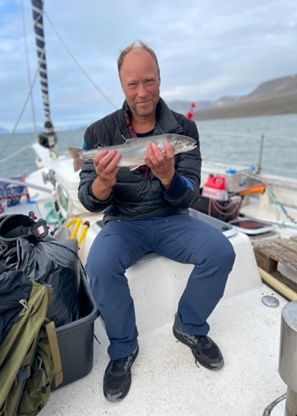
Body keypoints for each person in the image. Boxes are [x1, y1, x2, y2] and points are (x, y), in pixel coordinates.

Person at [78, 40, 236, 402]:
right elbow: (88, 199)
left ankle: (190, 326)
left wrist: (168, 177)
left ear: (160, 80)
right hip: (124, 222)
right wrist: (103, 182)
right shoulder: (99, 133)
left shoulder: (183, 130)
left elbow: (188, 195)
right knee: (99, 265)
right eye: (133, 84)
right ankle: (122, 349)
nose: (142, 92)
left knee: (221, 251)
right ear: (122, 87)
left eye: (148, 81)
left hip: (171, 218)